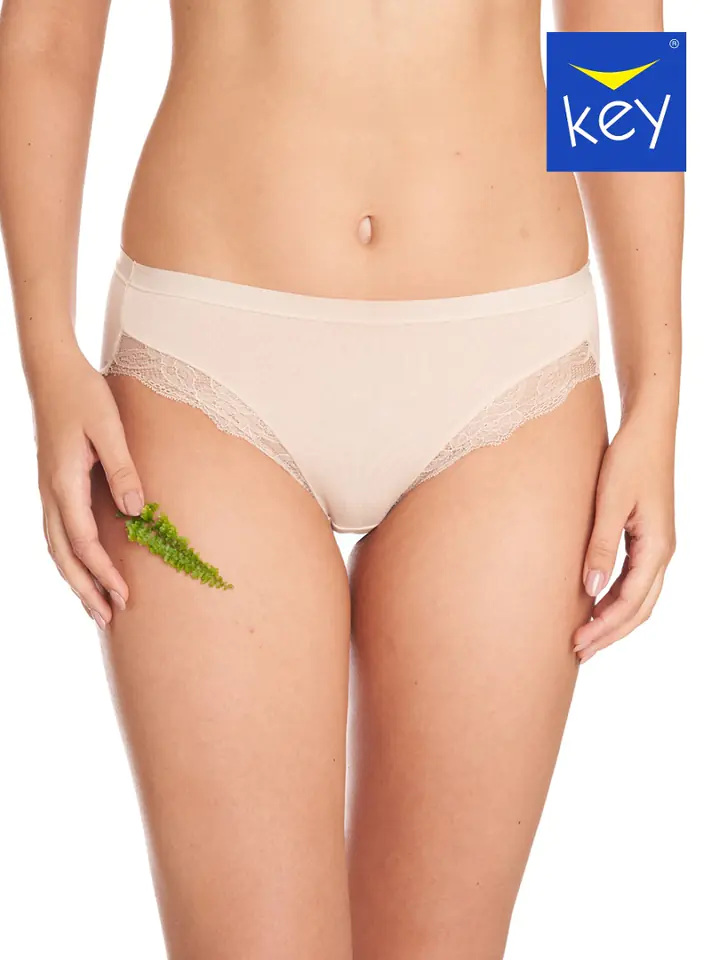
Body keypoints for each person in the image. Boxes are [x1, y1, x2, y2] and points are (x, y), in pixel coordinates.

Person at [0, 1, 681, 957]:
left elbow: (616, 37)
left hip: (510, 379)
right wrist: (46, 355)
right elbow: (46, 36)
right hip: (203, 368)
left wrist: (658, 392)